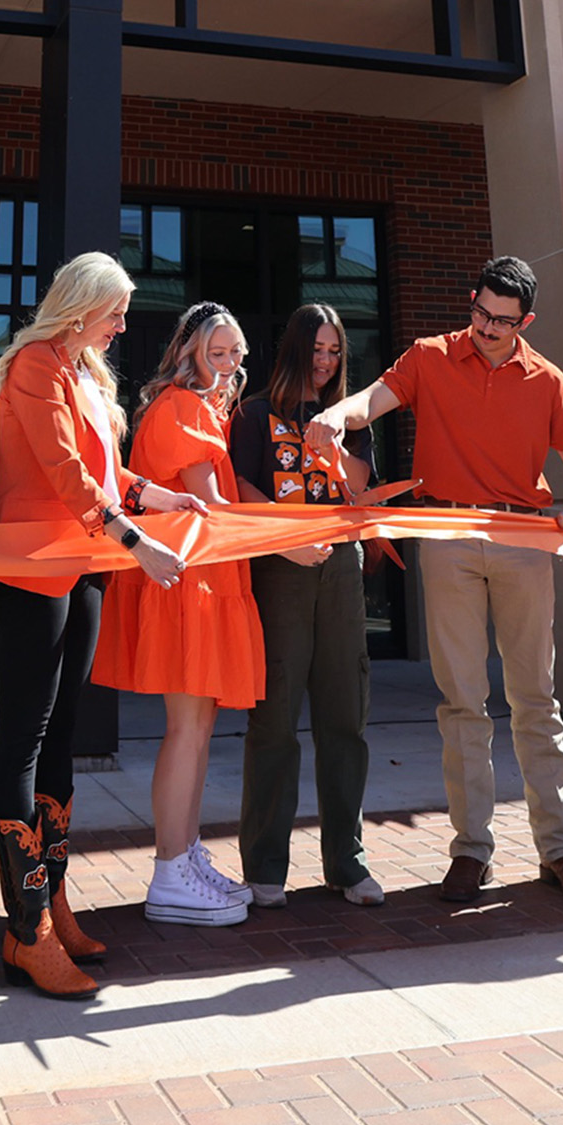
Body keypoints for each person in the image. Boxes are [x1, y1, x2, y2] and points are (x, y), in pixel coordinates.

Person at [309, 257, 563, 907]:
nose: (487, 328)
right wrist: (339, 416)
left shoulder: (547, 379)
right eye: (480, 313)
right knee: (463, 704)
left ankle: (562, 849)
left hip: (524, 540)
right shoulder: (430, 355)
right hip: (446, 540)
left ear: (523, 320)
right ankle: (472, 852)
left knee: (536, 699)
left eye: (502, 321)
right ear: (472, 299)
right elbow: (373, 402)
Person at [0, 251, 205, 999]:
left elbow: (104, 471)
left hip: (82, 565)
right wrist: (135, 539)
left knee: (64, 734)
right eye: (116, 311)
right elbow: (60, 469)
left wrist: (157, 500)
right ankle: (27, 930)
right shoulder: (37, 364)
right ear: (80, 306)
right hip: (34, 566)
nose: (122, 325)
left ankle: (54, 902)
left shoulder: (84, 371)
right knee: (24, 739)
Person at [94, 302, 262, 927]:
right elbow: (214, 507)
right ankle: (170, 873)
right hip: (194, 583)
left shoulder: (184, 406)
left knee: (194, 728)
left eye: (236, 353)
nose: (229, 363)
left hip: (194, 580)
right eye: (217, 352)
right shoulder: (189, 408)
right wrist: (290, 538)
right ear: (190, 352)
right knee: (188, 730)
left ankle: (184, 859)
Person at [229, 304, 381, 909]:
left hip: (342, 569)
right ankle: (265, 865)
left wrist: (336, 438)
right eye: (315, 350)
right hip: (279, 570)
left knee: (346, 716)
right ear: (293, 350)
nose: (324, 362)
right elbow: (241, 488)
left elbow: (363, 487)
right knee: (274, 720)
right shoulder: (253, 414)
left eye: (334, 351)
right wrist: (287, 544)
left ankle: (347, 862)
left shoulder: (351, 415)